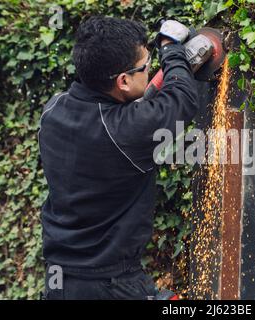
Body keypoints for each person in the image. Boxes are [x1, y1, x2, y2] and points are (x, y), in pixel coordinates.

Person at [38, 15, 198, 299]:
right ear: (123, 81)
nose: (150, 70)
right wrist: (171, 49)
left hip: (58, 278)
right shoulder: (126, 130)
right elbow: (182, 99)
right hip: (109, 285)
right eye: (146, 66)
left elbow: (126, 118)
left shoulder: (53, 110)